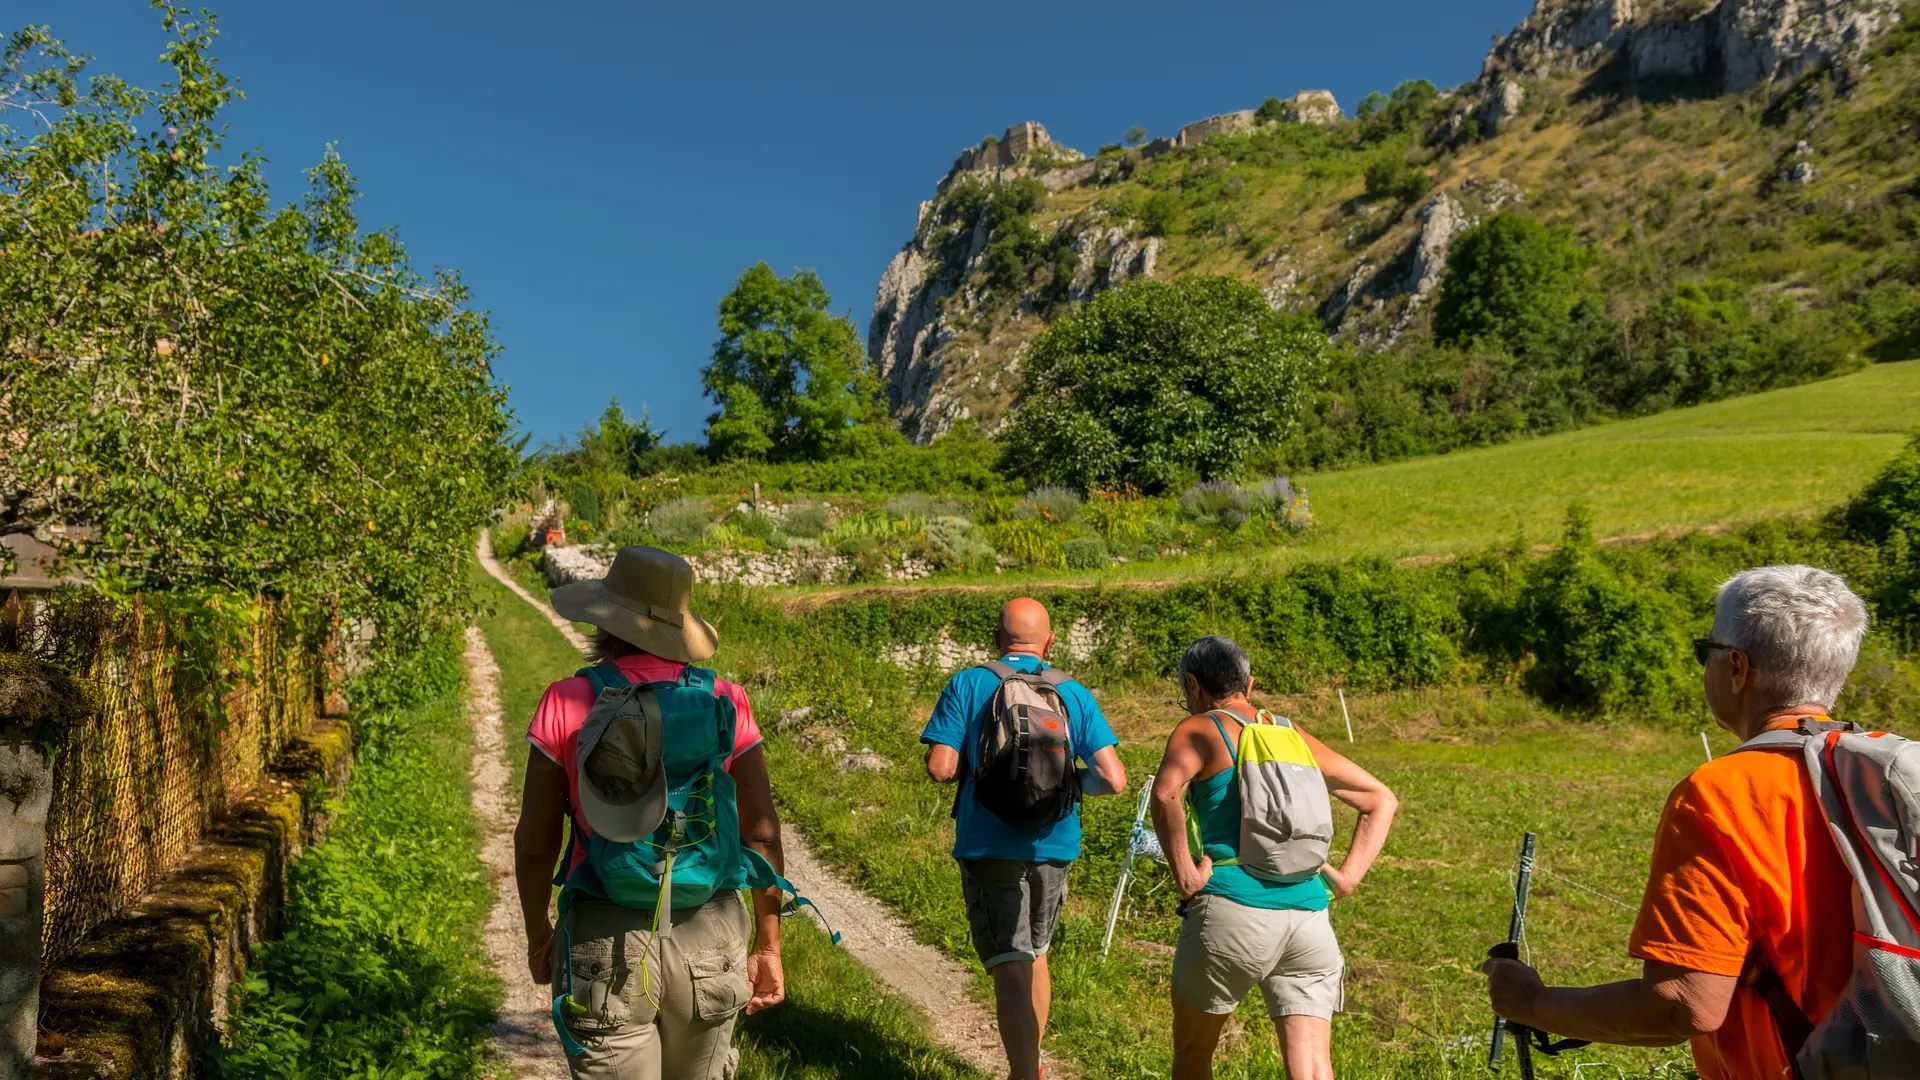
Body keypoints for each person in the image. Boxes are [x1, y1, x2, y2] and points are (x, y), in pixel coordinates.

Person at [1481, 565, 1872, 1080]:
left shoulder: (1721, 794)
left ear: (1736, 668)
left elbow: (1683, 1005)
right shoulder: (1889, 771)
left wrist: (1532, 1002)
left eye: (1702, 652)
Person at [514, 545, 785, 1079]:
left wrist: (538, 933)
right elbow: (762, 832)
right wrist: (768, 943)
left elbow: (535, 841)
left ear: (604, 619)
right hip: (709, 928)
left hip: (603, 934)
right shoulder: (727, 701)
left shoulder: (567, 700)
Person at [1151, 635, 1397, 1080]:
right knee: (1312, 1066)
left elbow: (1167, 792)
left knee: (1193, 1052)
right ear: (1249, 682)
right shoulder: (1287, 731)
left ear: (1193, 684)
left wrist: (1186, 875)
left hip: (1231, 915)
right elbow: (1379, 799)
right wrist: (1346, 878)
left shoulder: (1201, 729)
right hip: (1309, 923)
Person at [921, 597, 1128, 1080]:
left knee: (1010, 964)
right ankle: (1029, 1066)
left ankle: (1024, 1075)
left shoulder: (969, 683)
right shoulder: (1072, 691)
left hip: (987, 845)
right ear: (1049, 642)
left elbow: (941, 768)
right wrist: (1067, 781)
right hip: (1054, 844)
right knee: (1036, 954)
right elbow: (1114, 779)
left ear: (997, 638)